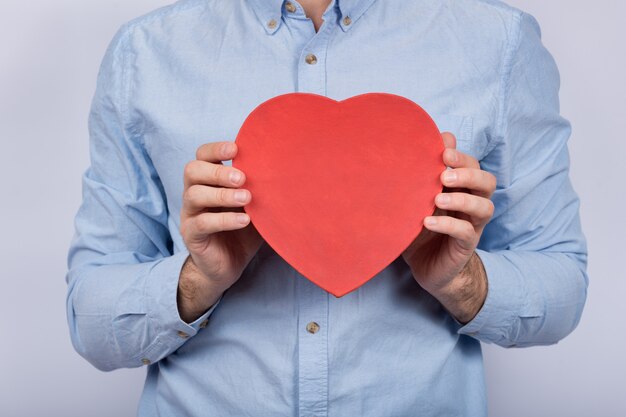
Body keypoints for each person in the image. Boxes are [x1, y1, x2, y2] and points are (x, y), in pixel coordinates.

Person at [65, 0, 588, 415]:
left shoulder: (498, 42)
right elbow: (89, 321)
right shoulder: (145, 52)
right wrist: (198, 280)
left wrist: (461, 281)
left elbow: (562, 285)